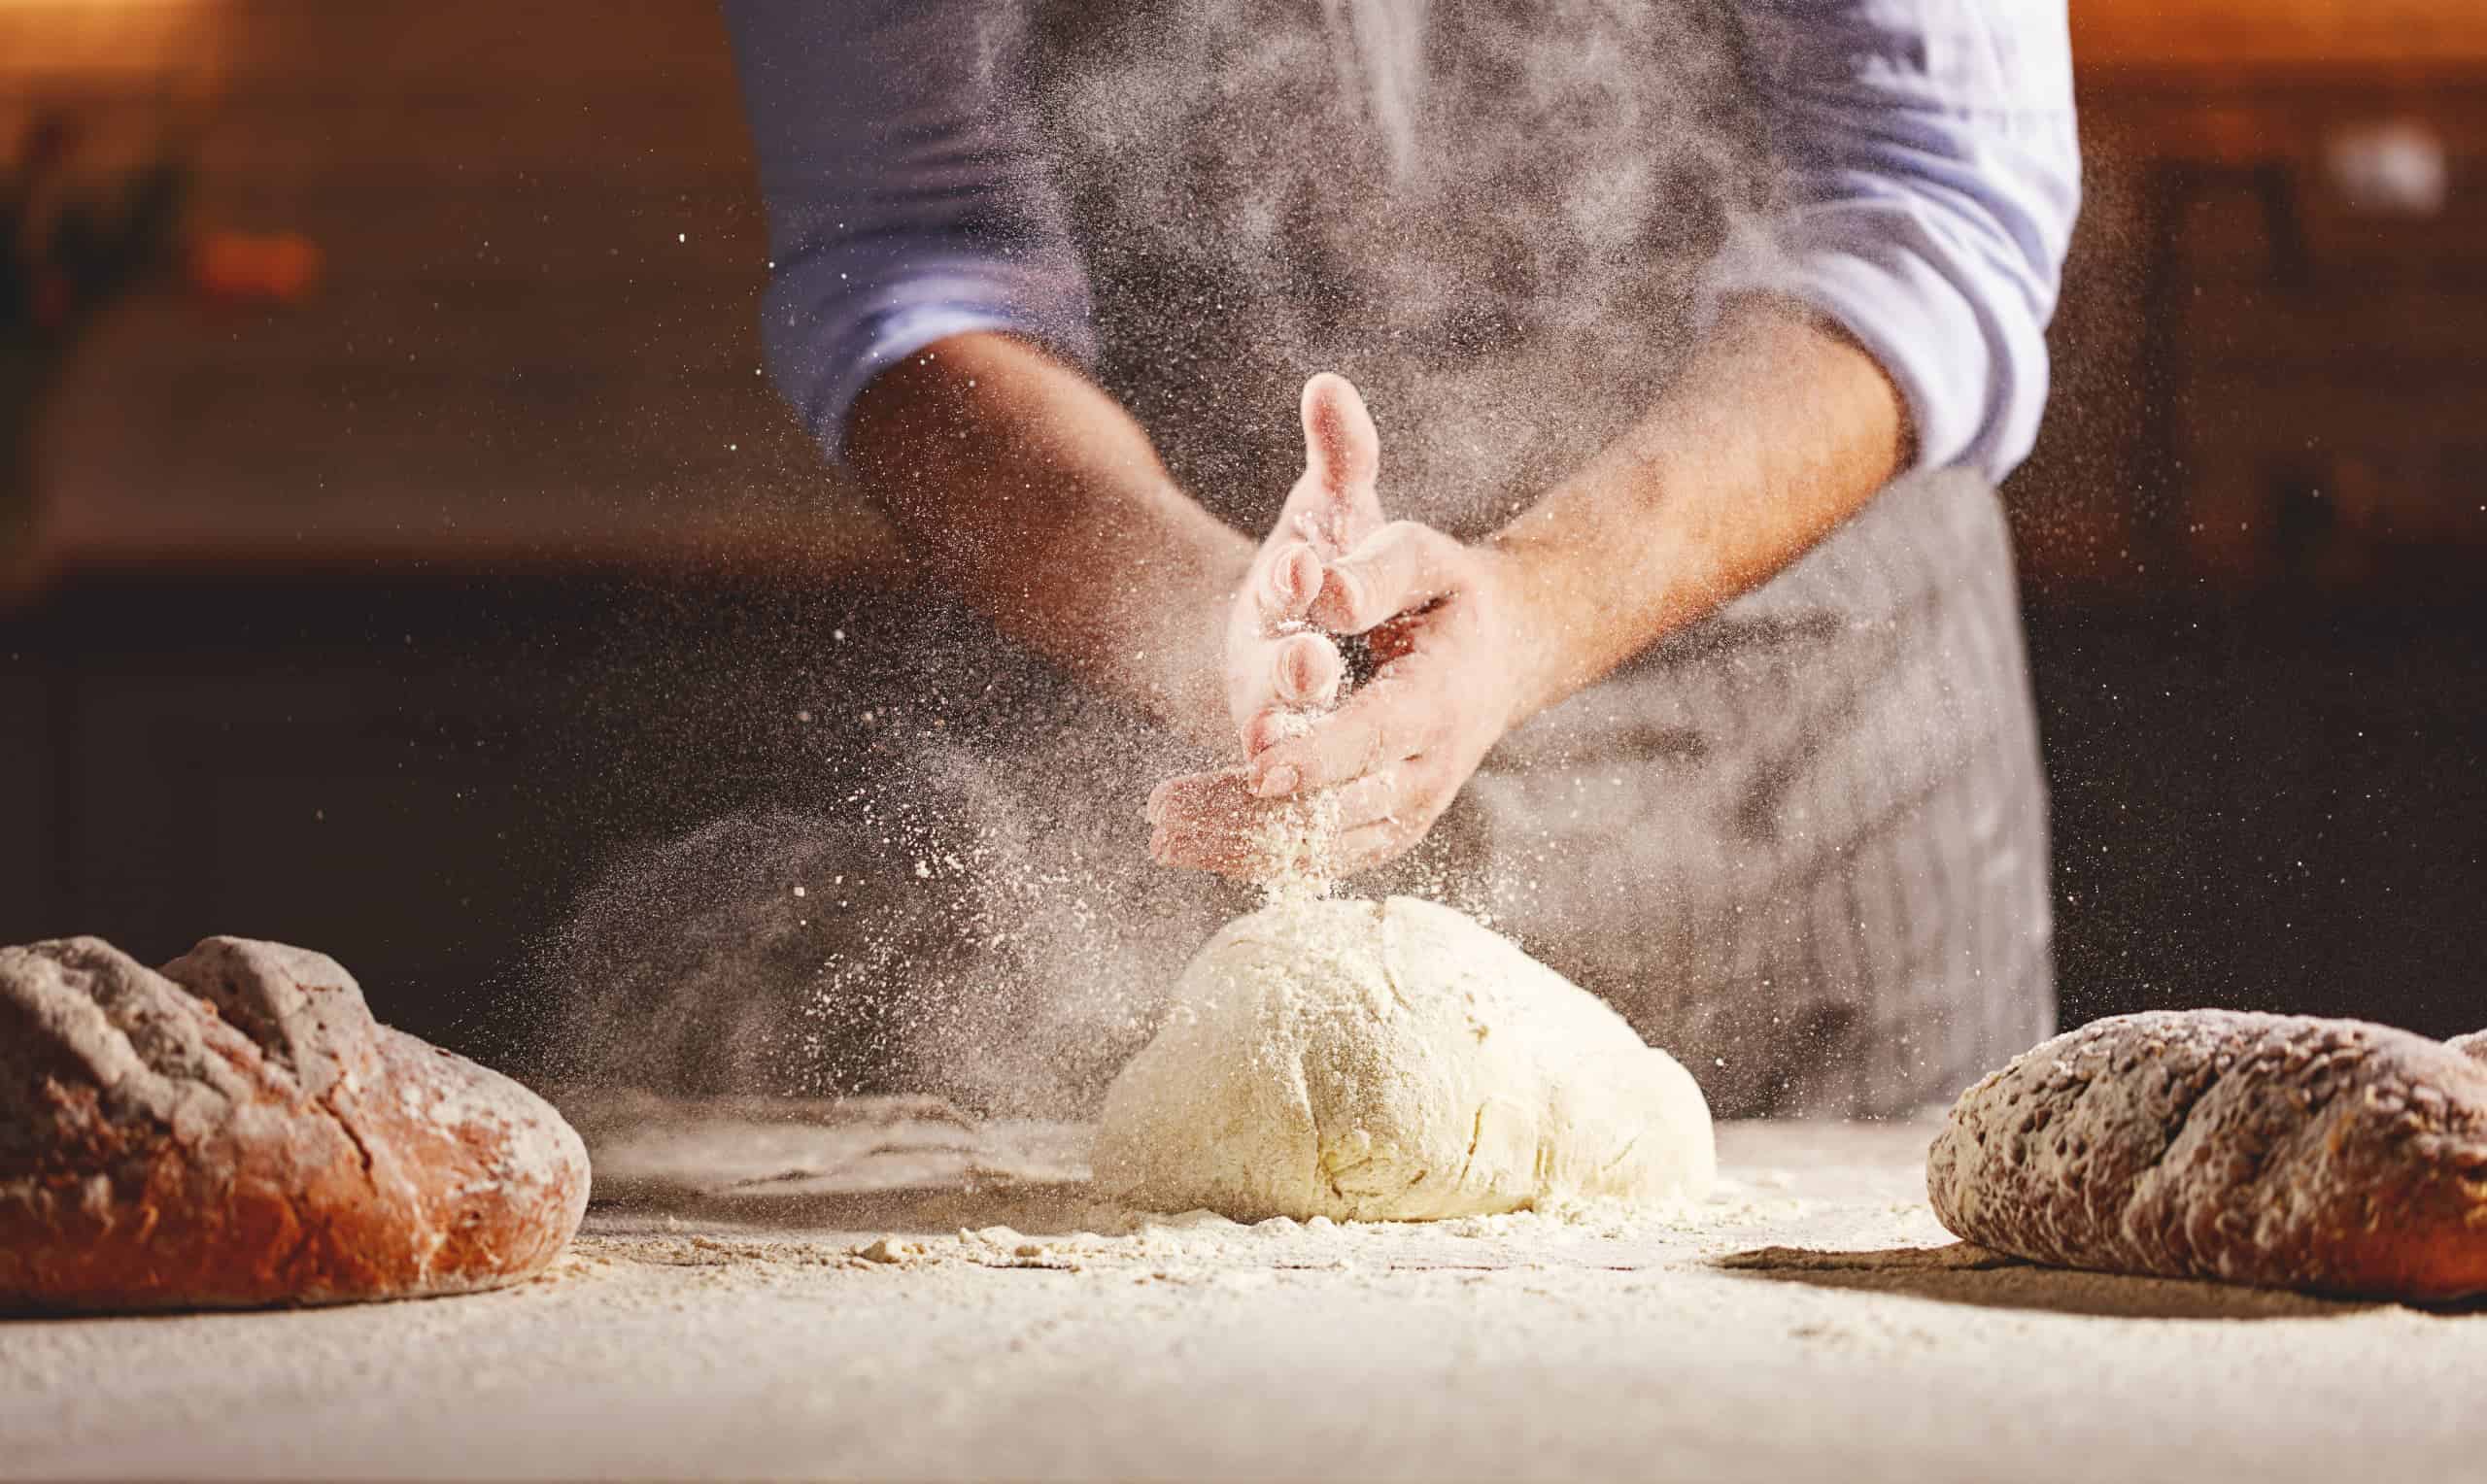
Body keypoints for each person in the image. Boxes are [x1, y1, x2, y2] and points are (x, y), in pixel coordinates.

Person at [715, 0, 2080, 1116]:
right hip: (1194, 695)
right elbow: (906, 250)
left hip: (1805, 751)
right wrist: (1199, 617)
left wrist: (1543, 604)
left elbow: (1926, 207)